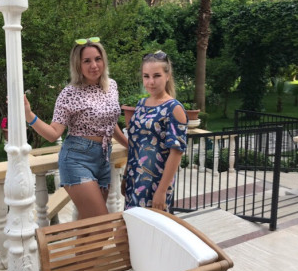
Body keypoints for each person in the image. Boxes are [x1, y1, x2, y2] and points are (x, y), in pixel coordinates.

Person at [24, 37, 128, 219]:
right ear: (77, 65)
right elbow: (53, 134)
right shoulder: (69, 93)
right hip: (77, 159)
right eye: (86, 61)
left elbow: (110, 125)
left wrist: (129, 145)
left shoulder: (111, 86)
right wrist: (29, 115)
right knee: (101, 222)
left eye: (98, 59)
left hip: (103, 158)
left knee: (89, 226)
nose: (94, 65)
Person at [123, 51, 188, 212]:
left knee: (151, 226)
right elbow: (134, 145)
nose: (151, 82)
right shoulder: (141, 104)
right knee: (132, 224)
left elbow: (176, 152)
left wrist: (162, 190)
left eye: (157, 76)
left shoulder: (174, 108)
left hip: (155, 185)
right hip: (134, 180)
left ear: (167, 76)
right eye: (146, 76)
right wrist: (125, 176)